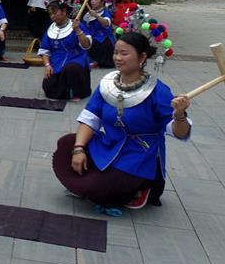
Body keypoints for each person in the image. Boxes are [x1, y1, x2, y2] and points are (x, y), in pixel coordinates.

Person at [53, 31, 191, 215]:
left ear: (142, 57)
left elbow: (180, 132)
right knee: (67, 145)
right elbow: (90, 118)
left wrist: (180, 114)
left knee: (100, 189)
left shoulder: (158, 91)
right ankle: (102, 183)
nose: (117, 58)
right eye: (115, 52)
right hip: (108, 143)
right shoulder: (108, 84)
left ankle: (141, 188)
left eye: (124, 53)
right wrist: (78, 149)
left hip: (139, 154)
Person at [38, 0, 92, 101]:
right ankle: (65, 93)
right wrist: (47, 65)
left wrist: (77, 31)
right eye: (50, 14)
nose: (52, 16)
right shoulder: (51, 29)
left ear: (64, 11)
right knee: (48, 87)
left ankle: (77, 92)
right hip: (57, 61)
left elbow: (86, 45)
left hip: (75, 59)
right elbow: (45, 50)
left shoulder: (76, 25)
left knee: (71, 68)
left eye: (55, 13)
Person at [81, 0, 116, 69]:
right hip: (92, 37)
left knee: (99, 43)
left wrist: (96, 16)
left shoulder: (105, 12)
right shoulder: (88, 14)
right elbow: (83, 27)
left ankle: (96, 61)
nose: (93, 2)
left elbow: (106, 23)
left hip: (103, 38)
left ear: (101, 2)